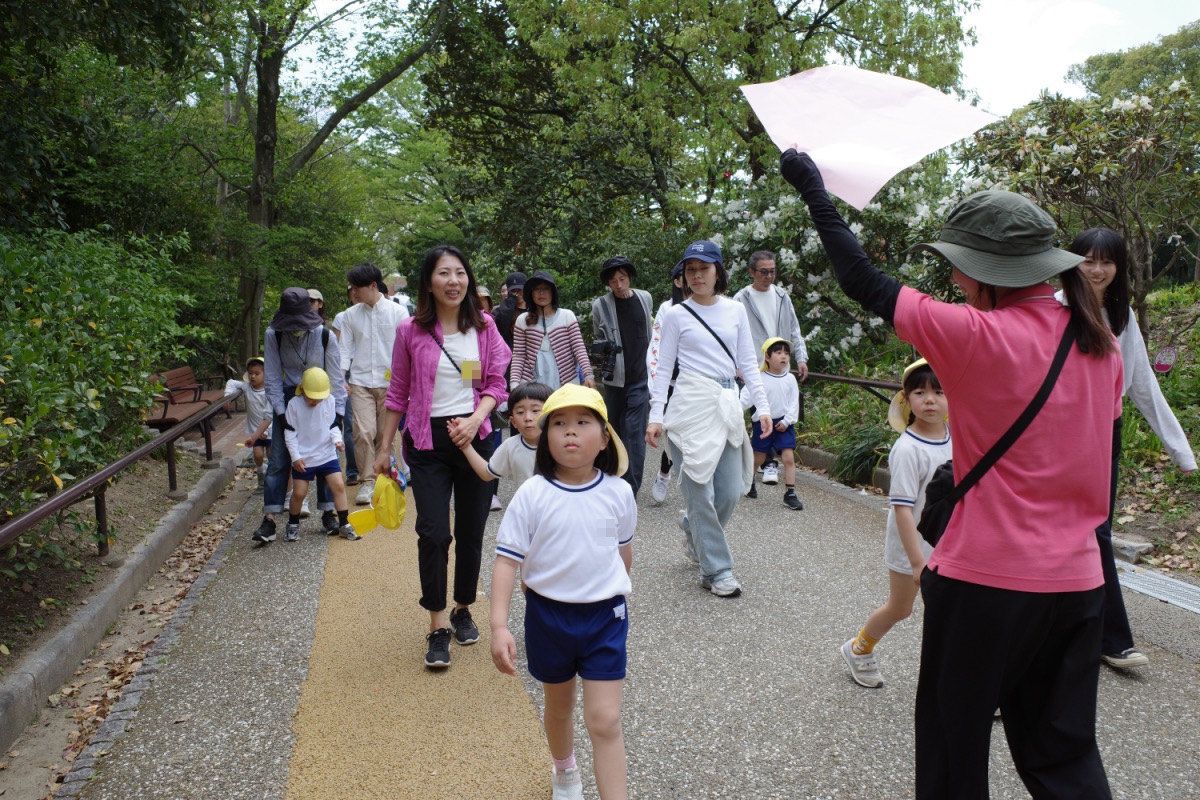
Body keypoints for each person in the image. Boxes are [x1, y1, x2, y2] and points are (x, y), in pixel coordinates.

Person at [782, 149, 1121, 798]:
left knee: (952, 756)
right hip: (1079, 583)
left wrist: (814, 190)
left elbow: (860, 277)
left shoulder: (975, 335)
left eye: (961, 267)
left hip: (985, 583)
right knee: (1064, 759)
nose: (957, 280)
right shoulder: (1098, 342)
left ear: (990, 272)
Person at [491, 384, 634, 800]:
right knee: (559, 706)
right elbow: (506, 561)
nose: (570, 431)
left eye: (583, 422)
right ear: (546, 437)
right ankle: (565, 768)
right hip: (548, 616)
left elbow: (622, 552)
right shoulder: (532, 494)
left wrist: (614, 591)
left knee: (605, 719)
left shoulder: (619, 492)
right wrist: (499, 626)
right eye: (559, 423)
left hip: (605, 617)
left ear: (604, 438)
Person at [1062, 228, 1197, 670]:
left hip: (1105, 433)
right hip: (1058, 434)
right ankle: (1076, 634)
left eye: (1107, 261)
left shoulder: (1121, 317)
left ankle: (1107, 638)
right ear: (1072, 261)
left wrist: (1179, 450)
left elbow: (1142, 385)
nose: (1097, 270)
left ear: (1119, 267)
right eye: (1088, 260)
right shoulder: (1054, 309)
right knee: (1061, 529)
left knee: (1096, 531)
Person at [373, 244, 511, 668]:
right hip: (426, 440)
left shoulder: (483, 326)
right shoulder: (410, 331)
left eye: (460, 273)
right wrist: (383, 448)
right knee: (433, 532)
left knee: (471, 530)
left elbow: (494, 383)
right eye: (444, 273)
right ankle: (436, 625)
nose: (454, 281)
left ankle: (462, 607)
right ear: (429, 283)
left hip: (475, 437)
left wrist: (475, 419)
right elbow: (398, 392)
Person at [645, 240, 772, 598]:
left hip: (726, 404)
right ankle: (717, 570)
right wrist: (656, 416)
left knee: (730, 491)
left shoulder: (735, 311)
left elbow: (748, 364)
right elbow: (663, 368)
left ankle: (692, 525)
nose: (697, 275)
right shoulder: (675, 315)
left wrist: (762, 407)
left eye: (704, 268)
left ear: (718, 272)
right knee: (700, 491)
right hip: (689, 405)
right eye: (691, 270)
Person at [841, 359, 950, 688]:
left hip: (949, 543)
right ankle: (859, 648)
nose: (930, 400)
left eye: (939, 392)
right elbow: (902, 509)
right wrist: (917, 561)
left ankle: (965, 682)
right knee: (901, 608)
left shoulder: (957, 437)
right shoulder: (907, 449)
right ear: (906, 399)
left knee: (954, 613)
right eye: (920, 392)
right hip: (911, 545)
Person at [254, 287, 347, 544]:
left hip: (321, 397)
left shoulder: (325, 335)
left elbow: (335, 378)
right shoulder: (274, 334)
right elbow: (272, 378)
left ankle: (328, 512)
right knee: (279, 459)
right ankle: (270, 519)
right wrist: (281, 415)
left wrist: (338, 414)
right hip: (288, 398)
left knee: (325, 454)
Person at [733, 251, 810, 480]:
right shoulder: (741, 299)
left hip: (780, 365)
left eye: (772, 271)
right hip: (753, 367)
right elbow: (732, 334)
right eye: (764, 272)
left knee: (778, 411)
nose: (769, 276)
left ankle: (766, 462)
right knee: (758, 414)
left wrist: (801, 357)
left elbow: (794, 328)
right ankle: (766, 462)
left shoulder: (782, 296)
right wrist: (737, 365)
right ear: (752, 272)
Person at [340, 262, 410, 506]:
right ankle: (367, 482)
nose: (353, 292)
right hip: (360, 382)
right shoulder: (349, 315)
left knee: (385, 434)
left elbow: (407, 349)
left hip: (391, 383)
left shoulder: (398, 313)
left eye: (357, 287)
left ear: (372, 286)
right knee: (363, 432)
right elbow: (344, 349)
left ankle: (385, 479)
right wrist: (341, 377)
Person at [591, 255, 654, 497]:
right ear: (608, 283)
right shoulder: (601, 305)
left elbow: (650, 333)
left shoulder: (644, 298)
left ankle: (630, 489)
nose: (618, 284)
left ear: (629, 277)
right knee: (614, 430)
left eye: (622, 278)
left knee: (634, 432)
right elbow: (598, 337)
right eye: (613, 281)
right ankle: (613, 478)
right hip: (614, 380)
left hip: (641, 377)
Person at [283, 368, 360, 542]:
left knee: (338, 486)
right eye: (312, 397)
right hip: (304, 457)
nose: (316, 401)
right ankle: (293, 525)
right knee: (299, 493)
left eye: (319, 397)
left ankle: (344, 523)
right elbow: (290, 433)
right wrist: (295, 456)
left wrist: (337, 440)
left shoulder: (329, 400)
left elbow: (333, 425)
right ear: (302, 390)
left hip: (327, 454)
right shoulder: (294, 404)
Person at [741, 338, 804, 509]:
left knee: (788, 458)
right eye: (778, 352)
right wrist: (734, 411)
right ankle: (749, 481)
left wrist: (787, 421)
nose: (784, 356)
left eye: (786, 353)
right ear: (767, 357)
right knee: (759, 457)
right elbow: (745, 398)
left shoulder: (790, 379)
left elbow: (794, 403)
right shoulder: (758, 378)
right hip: (762, 424)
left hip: (784, 424)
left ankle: (790, 493)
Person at [646, 263, 689, 505]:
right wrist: (657, 387)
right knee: (673, 434)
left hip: (701, 384)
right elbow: (657, 346)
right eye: (687, 274)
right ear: (677, 281)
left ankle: (696, 487)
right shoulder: (667, 308)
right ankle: (664, 473)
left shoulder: (709, 307)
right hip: (673, 381)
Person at [460, 381, 552, 491]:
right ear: (513, 421)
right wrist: (465, 445)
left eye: (535, 410)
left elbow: (484, 383)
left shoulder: (560, 443)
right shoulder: (511, 446)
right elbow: (487, 473)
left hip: (476, 411)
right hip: (527, 504)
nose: (528, 417)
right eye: (520, 412)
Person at [511, 270, 595, 391]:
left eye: (546, 288)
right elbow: (519, 355)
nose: (541, 293)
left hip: (566, 385)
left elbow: (579, 349)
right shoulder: (522, 320)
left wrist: (588, 375)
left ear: (553, 292)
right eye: (537, 289)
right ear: (531, 293)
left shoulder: (567, 316)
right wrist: (514, 385)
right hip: (532, 387)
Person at [224, 356, 272, 488]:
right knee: (257, 454)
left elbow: (271, 414)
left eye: (257, 373)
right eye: (250, 373)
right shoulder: (247, 387)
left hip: (270, 430)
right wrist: (227, 398)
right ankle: (261, 472)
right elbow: (231, 382)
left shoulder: (269, 391)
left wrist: (267, 431)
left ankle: (272, 479)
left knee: (271, 455)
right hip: (255, 430)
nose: (253, 376)